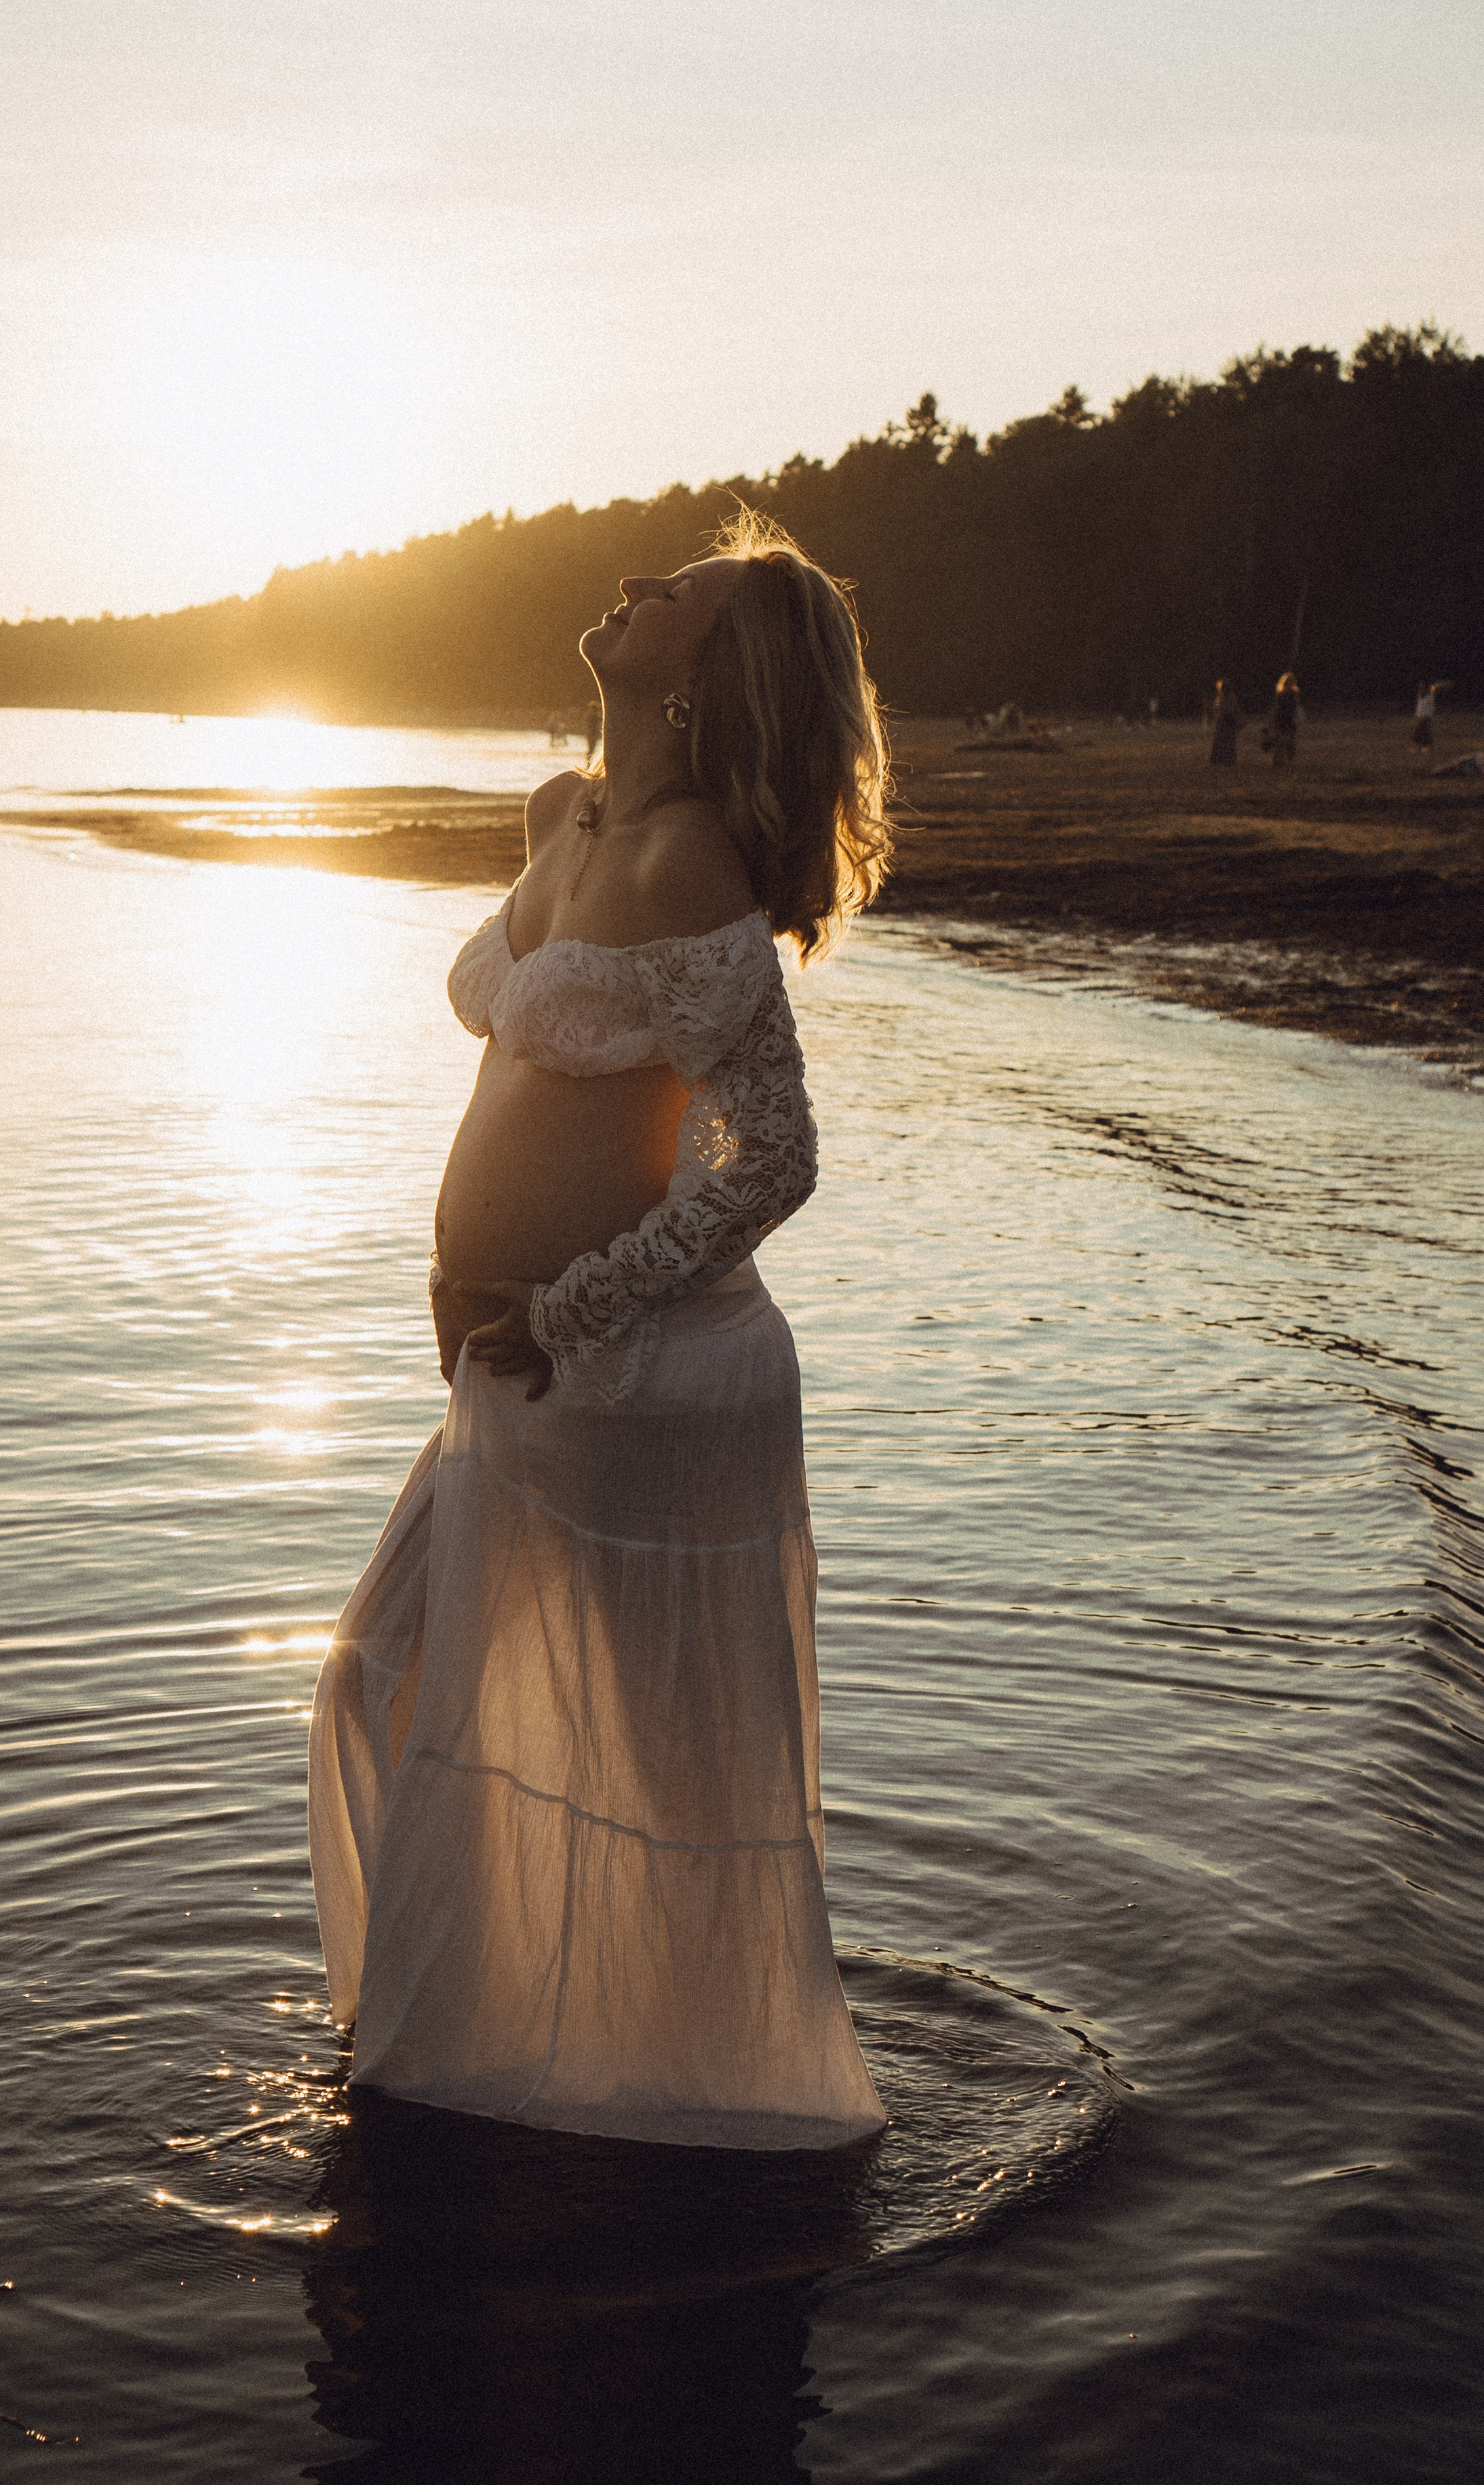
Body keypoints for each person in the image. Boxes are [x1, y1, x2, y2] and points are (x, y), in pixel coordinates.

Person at [309, 509, 892, 2151]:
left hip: (623, 1367)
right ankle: (484, 2059)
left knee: (648, 1767)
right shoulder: (561, 815)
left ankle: (657, 2098)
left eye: (674, 598)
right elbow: (523, 1071)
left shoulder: (689, 855)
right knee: (382, 1679)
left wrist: (564, 1309)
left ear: (709, 679)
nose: (633, 587)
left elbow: (769, 1154)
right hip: (517, 1365)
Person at [1268, 672, 1301, 769]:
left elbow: (1276, 709)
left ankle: (1280, 762)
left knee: (1283, 742)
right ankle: (1284, 762)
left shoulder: (1282, 694)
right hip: (1286, 720)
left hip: (1284, 720)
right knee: (1287, 742)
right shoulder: (1289, 695)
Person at [1209, 680, 1242, 767]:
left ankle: (1227, 760)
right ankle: (1222, 760)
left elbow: (1230, 710)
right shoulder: (1222, 697)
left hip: (1227, 722)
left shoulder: (1229, 698)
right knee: (1223, 742)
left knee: (1227, 742)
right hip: (1223, 722)